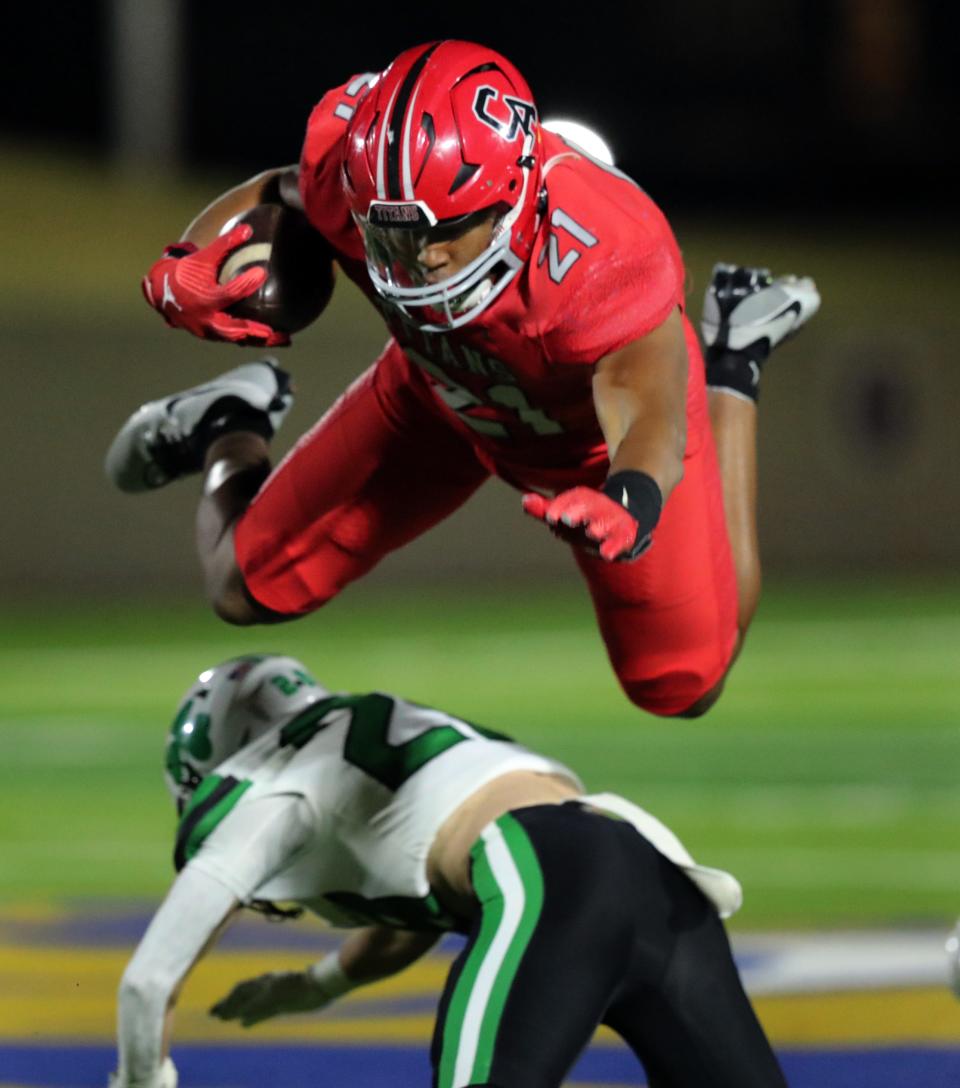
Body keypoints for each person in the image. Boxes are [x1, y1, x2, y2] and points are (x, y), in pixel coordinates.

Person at [106, 40, 820, 718]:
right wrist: (188, 264)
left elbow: (647, 414)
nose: (422, 261)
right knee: (243, 585)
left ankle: (735, 357)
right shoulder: (350, 168)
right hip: (434, 395)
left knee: (685, 684)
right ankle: (230, 421)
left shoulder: (604, 255)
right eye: (396, 235)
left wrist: (630, 496)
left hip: (591, 450)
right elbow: (277, 191)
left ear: (515, 196)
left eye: (441, 232)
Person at [108, 652, 787, 1088]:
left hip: (548, 878)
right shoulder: (380, 746)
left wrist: (141, 1081)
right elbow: (420, 901)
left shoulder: (276, 784)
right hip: (654, 875)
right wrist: (316, 985)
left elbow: (148, 981)